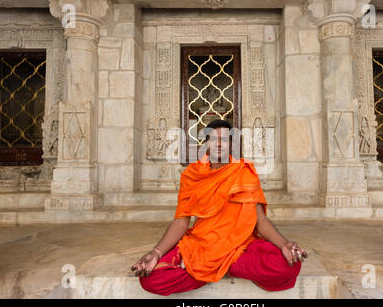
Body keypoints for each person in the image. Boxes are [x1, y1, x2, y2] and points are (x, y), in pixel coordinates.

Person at [131, 119, 308, 296]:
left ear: (231, 144)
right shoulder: (192, 175)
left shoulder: (244, 172)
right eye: (213, 139)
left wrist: (284, 244)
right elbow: (181, 221)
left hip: (237, 248)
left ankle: (213, 268)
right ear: (206, 143)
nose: (218, 144)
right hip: (200, 245)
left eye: (224, 139)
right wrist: (156, 253)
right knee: (151, 278)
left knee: (288, 266)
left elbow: (260, 221)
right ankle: (216, 268)